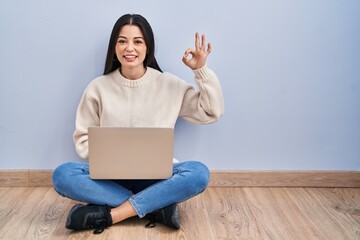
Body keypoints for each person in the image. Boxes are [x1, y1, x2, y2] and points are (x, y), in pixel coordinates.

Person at [52, 13, 224, 234]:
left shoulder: (169, 84)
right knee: (63, 175)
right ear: (114, 47)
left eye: (137, 41)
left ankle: (115, 214)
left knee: (199, 173)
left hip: (158, 179)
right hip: (110, 180)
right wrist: (112, 154)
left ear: (148, 47)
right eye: (122, 41)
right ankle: (155, 207)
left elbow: (212, 112)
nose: (129, 48)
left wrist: (200, 70)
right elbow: (82, 140)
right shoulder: (98, 87)